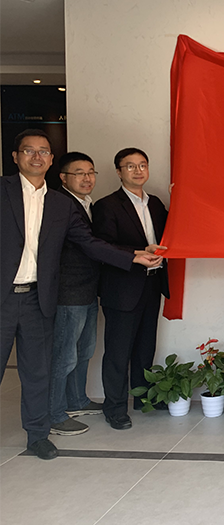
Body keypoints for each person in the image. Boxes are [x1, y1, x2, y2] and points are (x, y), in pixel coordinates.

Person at [0, 130, 162, 460]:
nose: (37, 157)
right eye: (29, 151)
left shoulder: (61, 203)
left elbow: (90, 243)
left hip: (38, 299)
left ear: (50, 159)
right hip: (4, 297)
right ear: (16, 157)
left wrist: (133, 256)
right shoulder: (2, 191)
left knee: (37, 372)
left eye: (43, 151)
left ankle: (38, 435)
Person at [93, 148, 169, 431]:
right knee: (118, 351)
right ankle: (114, 408)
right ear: (118, 171)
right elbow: (103, 246)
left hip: (152, 283)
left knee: (145, 347)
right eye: (130, 166)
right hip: (122, 287)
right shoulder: (107, 205)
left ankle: (143, 397)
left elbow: (172, 232)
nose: (138, 171)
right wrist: (140, 251)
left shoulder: (156, 203)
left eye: (142, 165)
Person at [48, 152, 105, 437]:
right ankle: (54, 413)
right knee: (64, 356)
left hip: (88, 289)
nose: (87, 178)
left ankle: (77, 400)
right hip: (68, 292)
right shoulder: (60, 204)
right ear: (63, 177)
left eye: (91, 172)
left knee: (84, 350)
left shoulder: (87, 203)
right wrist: (133, 255)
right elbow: (88, 244)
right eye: (79, 173)